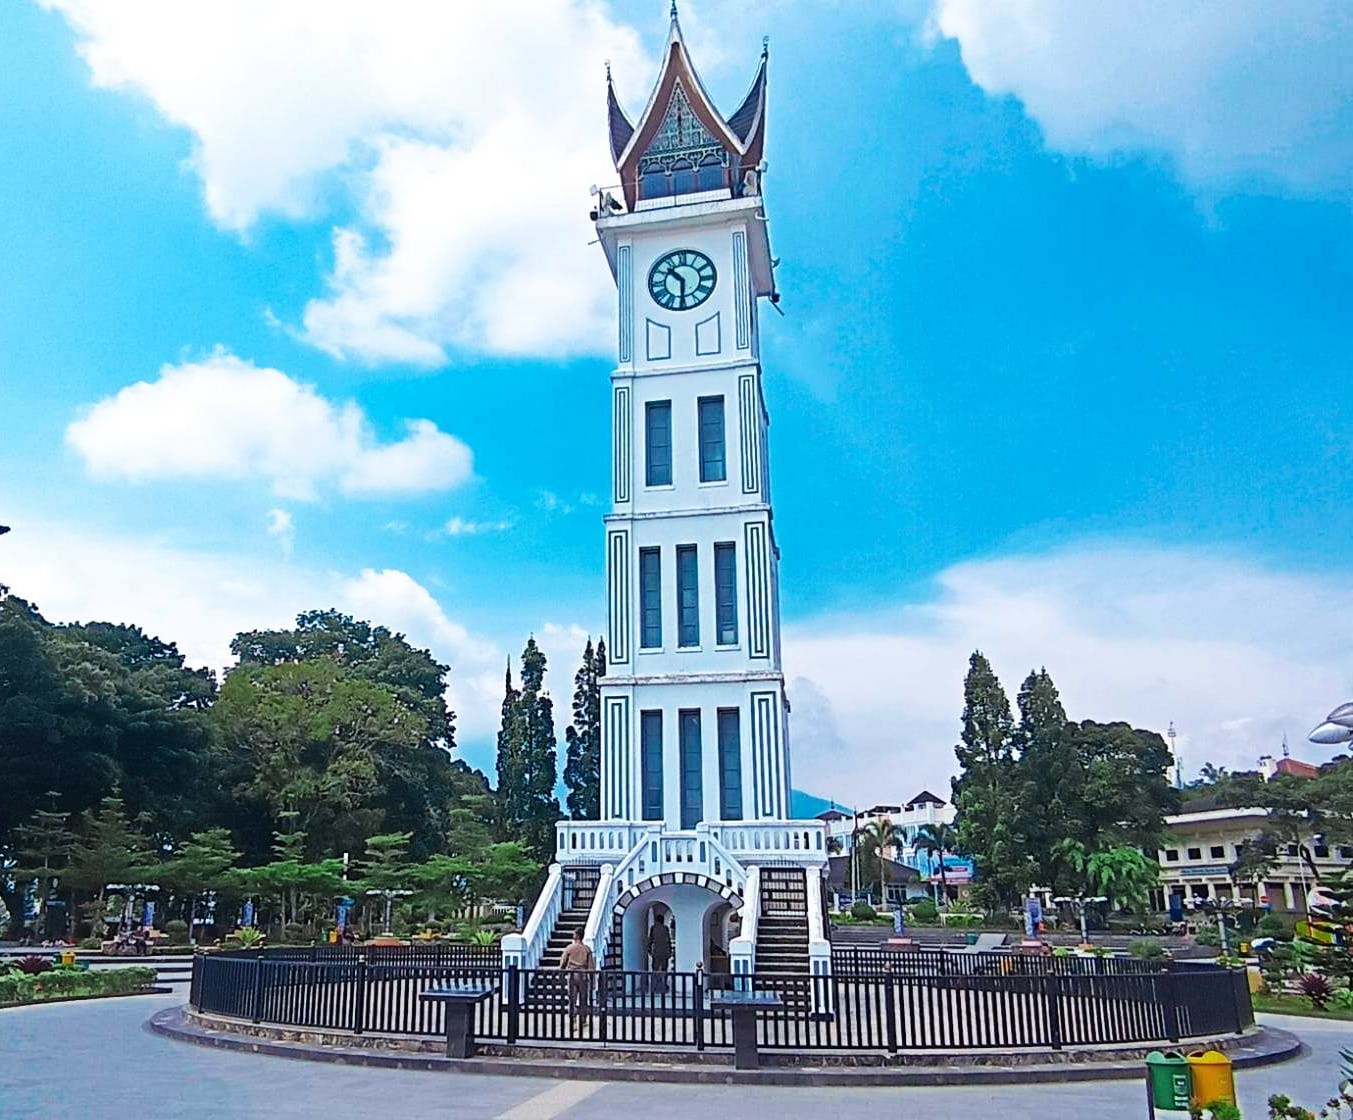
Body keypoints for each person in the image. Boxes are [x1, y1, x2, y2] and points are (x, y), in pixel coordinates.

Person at [558, 928, 594, 1031]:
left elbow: (563, 963)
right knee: (583, 999)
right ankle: (583, 1020)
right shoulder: (587, 949)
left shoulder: (569, 948)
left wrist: (561, 974)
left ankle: (573, 1021)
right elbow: (591, 967)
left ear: (577, 935)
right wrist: (592, 980)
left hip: (572, 975)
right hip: (583, 975)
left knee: (572, 999)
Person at [647, 913, 672, 994]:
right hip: (664, 952)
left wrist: (649, 950)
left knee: (655, 969)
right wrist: (670, 951)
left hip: (656, 952)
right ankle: (664, 985)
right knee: (664, 969)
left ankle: (654, 986)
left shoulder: (653, 928)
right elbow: (668, 941)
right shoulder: (665, 928)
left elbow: (650, 940)